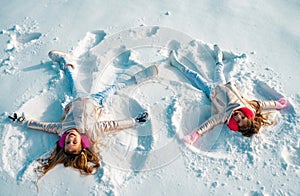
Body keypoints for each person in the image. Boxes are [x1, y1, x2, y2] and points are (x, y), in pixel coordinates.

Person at [8, 50, 151, 178]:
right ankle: (137, 78)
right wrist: (134, 121)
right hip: (96, 101)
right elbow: (112, 125)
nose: (70, 138)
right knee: (113, 87)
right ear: (82, 142)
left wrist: (22, 121)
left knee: (72, 80)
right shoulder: (90, 131)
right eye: (74, 142)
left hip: (76, 99)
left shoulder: (62, 129)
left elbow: (44, 126)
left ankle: (65, 61)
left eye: (67, 142)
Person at [168, 45, 288, 145]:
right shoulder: (249, 106)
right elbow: (262, 104)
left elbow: (210, 123)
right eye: (242, 117)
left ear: (236, 125)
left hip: (211, 91)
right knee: (219, 69)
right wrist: (277, 104)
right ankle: (219, 57)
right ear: (247, 116)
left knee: (194, 76)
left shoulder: (225, 115)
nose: (238, 117)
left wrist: (194, 135)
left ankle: (176, 63)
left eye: (238, 121)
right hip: (223, 85)